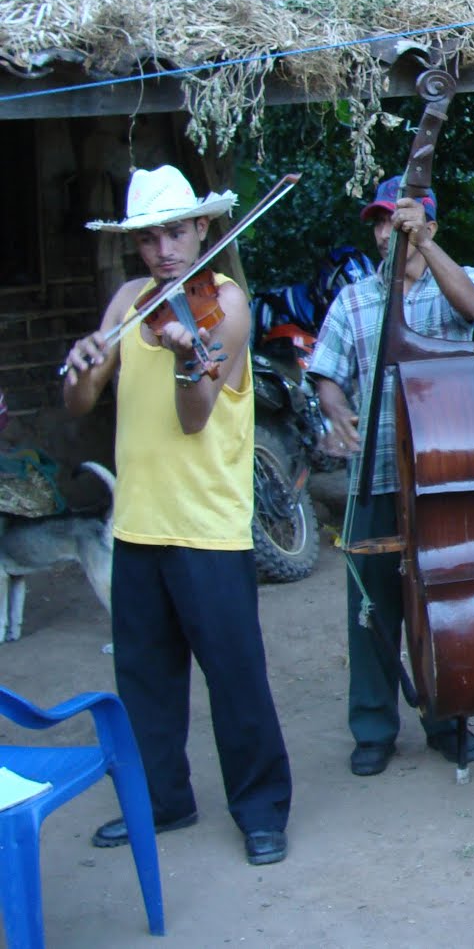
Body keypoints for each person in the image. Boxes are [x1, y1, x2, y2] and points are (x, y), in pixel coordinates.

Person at [62, 164, 292, 866]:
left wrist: (190, 353)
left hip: (208, 527)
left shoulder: (224, 302)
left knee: (235, 677)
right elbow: (80, 408)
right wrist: (82, 365)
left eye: (176, 232)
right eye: (150, 236)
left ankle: (261, 811)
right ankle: (162, 801)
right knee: (145, 683)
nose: (164, 249)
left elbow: (195, 419)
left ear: (203, 230)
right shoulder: (130, 301)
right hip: (136, 523)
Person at [306, 176, 474, 777]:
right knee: (371, 610)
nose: (389, 232)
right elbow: (327, 374)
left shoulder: (454, 280)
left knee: (440, 600)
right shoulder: (356, 298)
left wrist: (430, 246)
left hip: (442, 479)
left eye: (401, 221)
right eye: (383, 223)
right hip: (375, 475)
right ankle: (373, 727)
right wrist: (335, 409)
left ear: (427, 226)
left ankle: (447, 716)